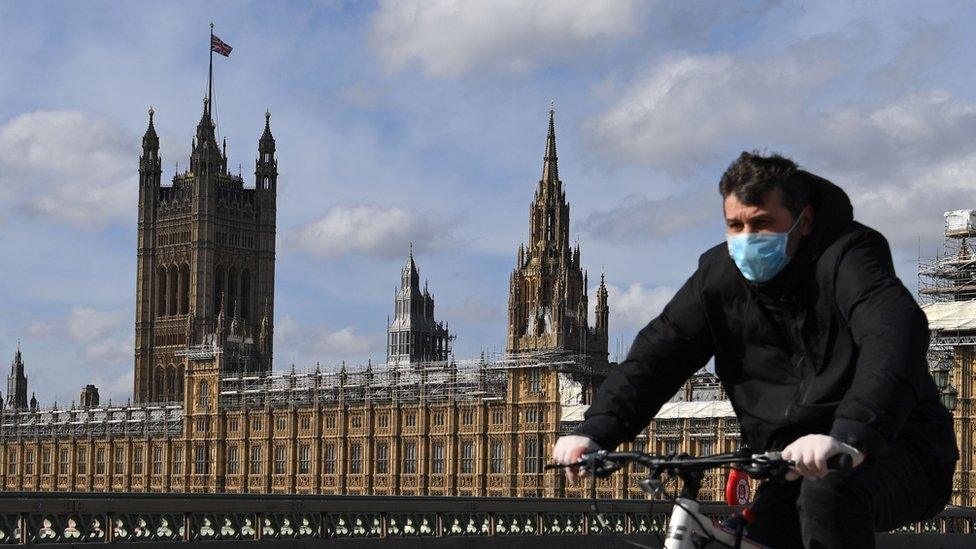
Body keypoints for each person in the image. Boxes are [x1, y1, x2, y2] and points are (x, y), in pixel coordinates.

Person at [552, 151, 959, 548]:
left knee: (827, 494)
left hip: (892, 449)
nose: (748, 239)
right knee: (746, 537)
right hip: (788, 465)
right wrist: (595, 430)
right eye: (736, 226)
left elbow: (892, 336)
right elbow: (658, 355)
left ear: (804, 220)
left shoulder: (849, 255)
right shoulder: (718, 277)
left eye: (762, 224)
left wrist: (851, 434)